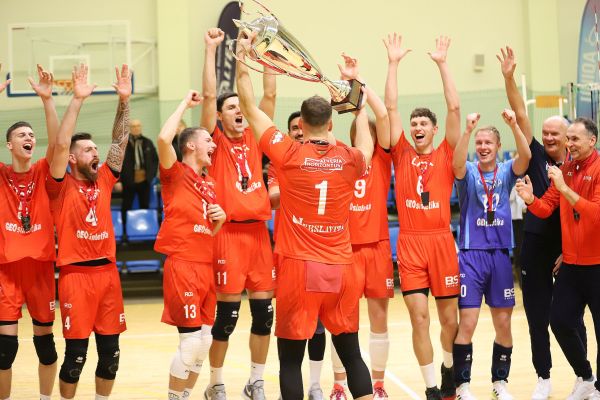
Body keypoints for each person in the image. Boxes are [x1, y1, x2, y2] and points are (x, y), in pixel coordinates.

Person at [237, 31, 375, 400]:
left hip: (300, 268)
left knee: (290, 361)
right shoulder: (350, 158)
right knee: (351, 354)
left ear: (302, 123)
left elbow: (249, 108)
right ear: (330, 123)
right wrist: (357, 98)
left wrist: (242, 60)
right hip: (341, 267)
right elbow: (367, 143)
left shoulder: (288, 153)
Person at [498, 46, 587, 399]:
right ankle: (543, 377)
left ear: (569, 138)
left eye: (555, 134)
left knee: (571, 318)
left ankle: (584, 377)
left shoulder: (577, 166)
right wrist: (508, 77)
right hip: (535, 246)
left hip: (569, 250)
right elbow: (520, 112)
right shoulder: (534, 153)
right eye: (545, 133)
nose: (549, 138)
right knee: (537, 317)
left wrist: (570, 251)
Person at [45, 64, 131, 400]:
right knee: (75, 358)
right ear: (71, 158)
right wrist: (77, 100)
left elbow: (120, 140)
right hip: (76, 278)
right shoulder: (60, 186)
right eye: (87, 149)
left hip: (108, 275)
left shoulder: (105, 178)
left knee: (111, 357)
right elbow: (59, 144)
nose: (95, 152)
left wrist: (124, 101)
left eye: (96, 148)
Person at [200, 28, 276, 400]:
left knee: (264, 315)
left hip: (258, 234)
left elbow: (269, 95)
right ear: (219, 116)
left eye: (239, 107)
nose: (238, 111)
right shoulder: (212, 143)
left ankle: (255, 381)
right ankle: (215, 383)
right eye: (230, 108)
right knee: (226, 320)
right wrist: (212, 50)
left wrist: (260, 52)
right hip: (227, 235)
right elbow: (209, 95)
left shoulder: (255, 138)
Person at [385, 33, 460, 400]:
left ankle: (448, 368)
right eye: (413, 123)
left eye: (423, 124)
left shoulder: (446, 153)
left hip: (442, 243)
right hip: (412, 244)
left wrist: (442, 64)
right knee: (419, 318)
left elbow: (454, 108)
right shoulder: (400, 153)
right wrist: (393, 63)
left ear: (433, 129)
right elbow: (390, 107)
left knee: (449, 320)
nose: (416, 127)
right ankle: (431, 387)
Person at [516, 117, 600, 400]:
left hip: (597, 264)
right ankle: (586, 377)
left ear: (592, 141)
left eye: (575, 139)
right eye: (569, 139)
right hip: (573, 266)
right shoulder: (566, 170)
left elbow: (595, 215)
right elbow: (546, 207)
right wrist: (531, 199)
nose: (569, 144)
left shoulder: (597, 169)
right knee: (560, 321)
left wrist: (564, 188)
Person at [451, 110, 531, 400]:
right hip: (471, 257)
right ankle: (462, 385)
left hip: (499, 255)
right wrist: (467, 130)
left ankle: (500, 382)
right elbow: (456, 163)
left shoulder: (507, 171)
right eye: (479, 142)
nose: (483, 147)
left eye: (488, 143)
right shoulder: (469, 172)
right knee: (468, 323)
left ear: (498, 146)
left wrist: (514, 125)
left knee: (504, 323)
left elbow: (526, 156)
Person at [328, 54, 393, 400]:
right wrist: (345, 98)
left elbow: (383, 115)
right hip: (346, 250)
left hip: (377, 246)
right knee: (343, 321)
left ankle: (378, 385)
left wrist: (358, 84)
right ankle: (339, 384)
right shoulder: (340, 157)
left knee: (379, 318)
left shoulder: (381, 160)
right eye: (358, 129)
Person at [155, 90, 226, 400]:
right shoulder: (175, 174)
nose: (213, 145)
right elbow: (163, 139)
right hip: (182, 264)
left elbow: (208, 231)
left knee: (205, 341)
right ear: (190, 145)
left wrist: (220, 219)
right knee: (190, 342)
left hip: (205, 265)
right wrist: (185, 103)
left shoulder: (209, 184)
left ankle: (185, 395)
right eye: (208, 140)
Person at [0, 64, 59, 400]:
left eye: (31, 135)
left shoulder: (42, 171)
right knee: (4, 352)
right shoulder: (1, 175)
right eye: (22, 135)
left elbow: (58, 143)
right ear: (9, 144)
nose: (29, 138)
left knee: (46, 349)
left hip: (40, 269)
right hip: (7, 271)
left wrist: (47, 100)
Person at [267, 111, 327, 400]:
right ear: (290, 132)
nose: (299, 133)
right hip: (288, 253)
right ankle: (290, 388)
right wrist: (298, 182)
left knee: (318, 324)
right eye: (294, 128)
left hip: (319, 251)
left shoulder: (326, 159)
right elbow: (272, 199)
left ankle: (314, 385)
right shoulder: (279, 163)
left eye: (301, 128)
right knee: (291, 327)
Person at [120, 118, 158, 219]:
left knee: (145, 205)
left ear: (141, 127)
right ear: (129, 128)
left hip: (145, 180)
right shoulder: (123, 144)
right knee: (126, 205)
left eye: (138, 126)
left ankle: (145, 224)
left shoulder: (148, 142)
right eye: (133, 126)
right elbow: (117, 163)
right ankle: (125, 226)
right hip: (128, 180)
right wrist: (118, 181)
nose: (136, 128)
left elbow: (155, 160)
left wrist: (152, 175)